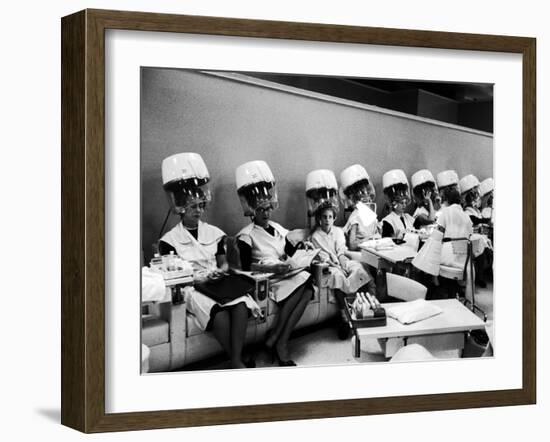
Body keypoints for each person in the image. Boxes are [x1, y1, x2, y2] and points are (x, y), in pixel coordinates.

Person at [158, 152, 260, 369]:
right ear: (182, 208)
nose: (199, 211)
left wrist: (221, 271)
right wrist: (197, 278)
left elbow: (223, 263)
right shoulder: (169, 241)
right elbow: (174, 275)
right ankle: (237, 361)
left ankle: (235, 360)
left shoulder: (214, 233)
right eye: (194, 207)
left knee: (241, 305)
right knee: (220, 314)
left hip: (217, 281)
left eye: (201, 206)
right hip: (192, 287)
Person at [235, 160, 313, 366]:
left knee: (307, 287)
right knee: (306, 288)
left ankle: (276, 338)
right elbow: (244, 268)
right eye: (262, 210)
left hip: (285, 274)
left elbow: (289, 249)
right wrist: (270, 267)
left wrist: (304, 249)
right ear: (252, 210)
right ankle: (280, 343)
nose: (267, 213)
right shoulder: (246, 236)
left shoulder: (278, 227)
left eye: (269, 208)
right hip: (268, 279)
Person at [309, 202, 376, 339]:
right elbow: (323, 255)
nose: (327, 220)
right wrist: (338, 267)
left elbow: (341, 251)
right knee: (339, 277)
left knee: (359, 268)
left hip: (341, 260)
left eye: (330, 217)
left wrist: (344, 264)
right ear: (319, 219)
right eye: (324, 217)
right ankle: (345, 319)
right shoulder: (316, 236)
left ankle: (369, 310)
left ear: (334, 218)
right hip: (328, 265)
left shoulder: (338, 232)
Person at [459, 174, 493, 287]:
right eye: (474, 195)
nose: (477, 197)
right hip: (469, 239)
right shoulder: (467, 212)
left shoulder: (476, 211)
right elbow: (475, 220)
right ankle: (479, 277)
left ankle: (482, 275)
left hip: (479, 237)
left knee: (485, 246)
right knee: (481, 248)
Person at [339, 164, 380, 251]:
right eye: (362, 192)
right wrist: (368, 240)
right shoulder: (355, 217)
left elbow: (377, 234)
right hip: (362, 253)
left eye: (366, 190)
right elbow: (352, 245)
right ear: (353, 196)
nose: (366, 194)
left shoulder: (370, 214)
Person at [380, 169, 415, 239]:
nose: (404, 205)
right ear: (394, 203)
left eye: (405, 202)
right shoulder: (388, 221)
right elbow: (387, 242)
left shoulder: (408, 218)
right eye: (401, 203)